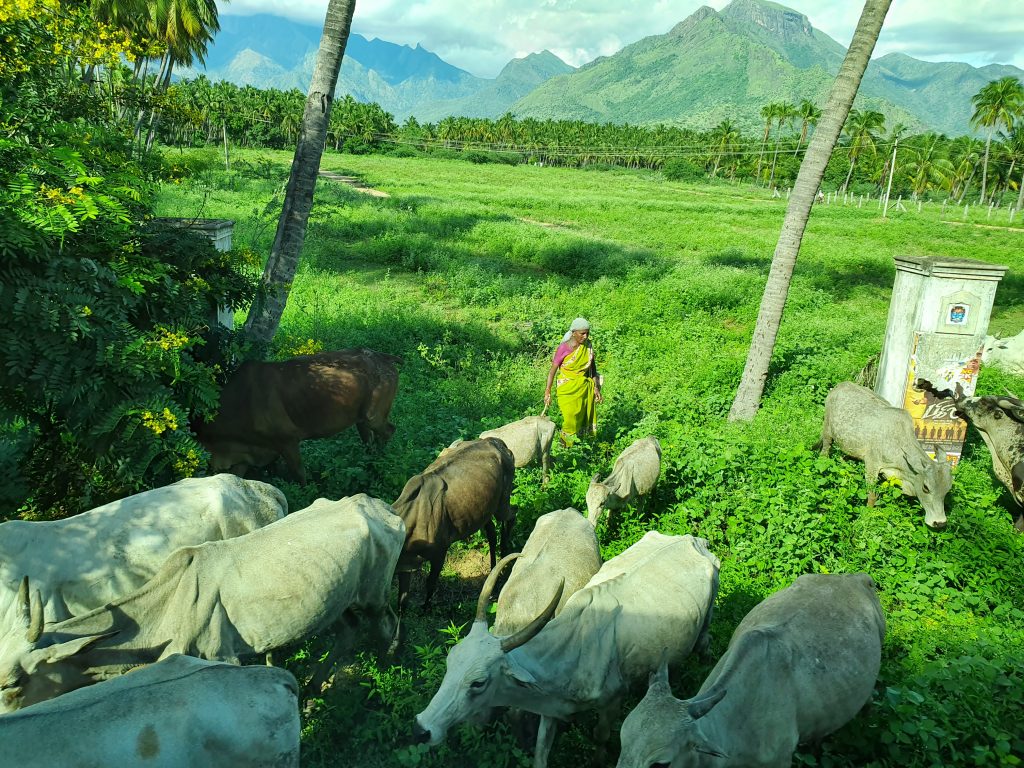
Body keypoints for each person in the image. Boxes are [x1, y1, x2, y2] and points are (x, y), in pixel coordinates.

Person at [544, 317, 602, 445]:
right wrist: (547, 391)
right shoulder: (564, 348)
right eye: (582, 333)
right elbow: (553, 370)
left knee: (581, 417)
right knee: (570, 419)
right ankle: (564, 448)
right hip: (567, 388)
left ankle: (578, 446)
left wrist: (596, 387)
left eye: (588, 333)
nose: (585, 336)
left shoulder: (588, 346)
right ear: (574, 333)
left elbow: (592, 367)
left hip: (584, 388)